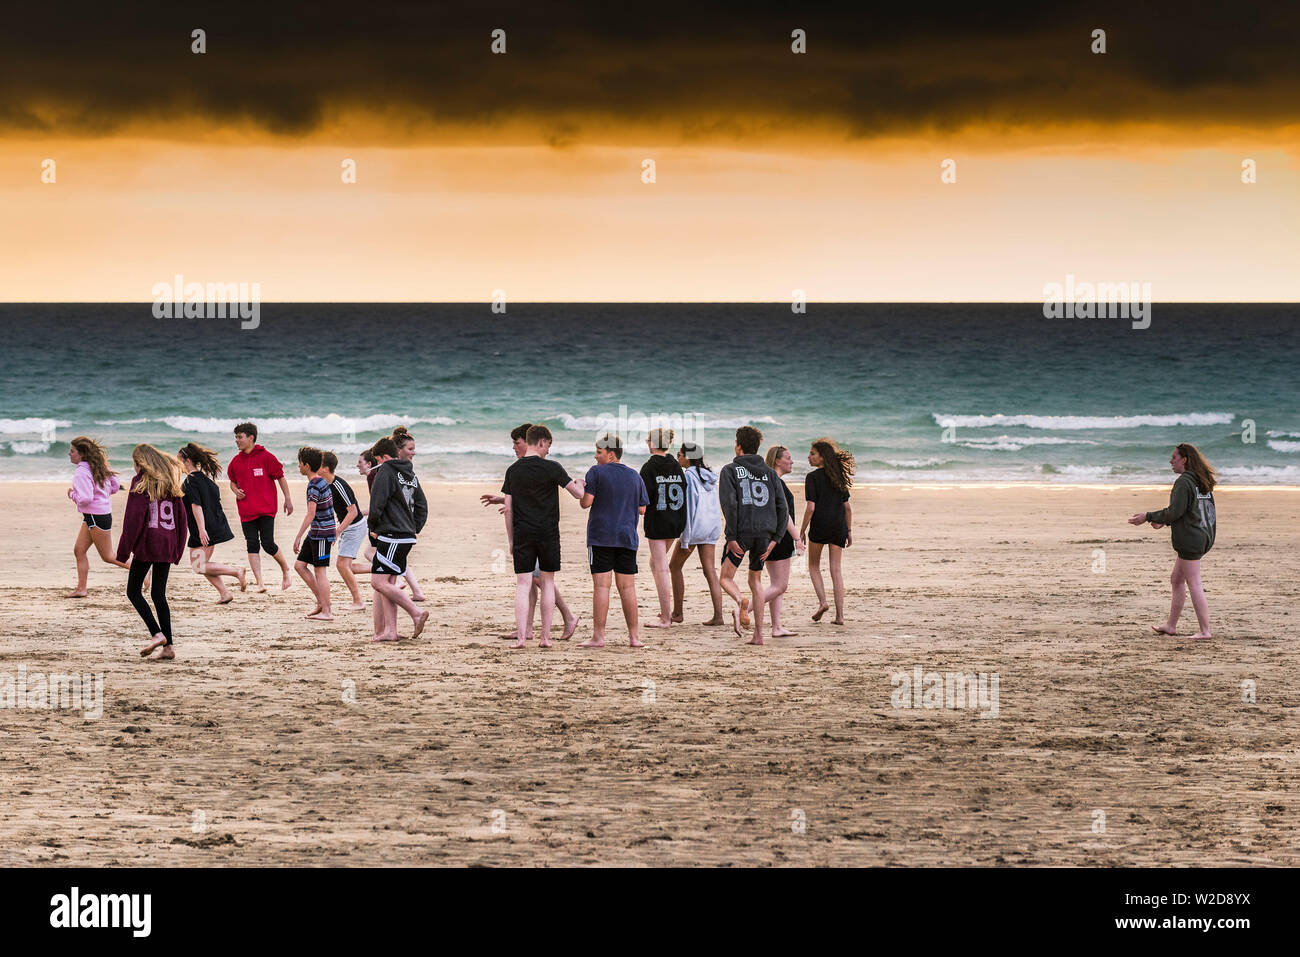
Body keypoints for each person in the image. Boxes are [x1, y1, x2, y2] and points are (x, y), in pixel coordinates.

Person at [482, 423, 580, 641]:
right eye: (548, 446)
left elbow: (508, 508)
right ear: (543, 442)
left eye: (516, 443)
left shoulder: (513, 470)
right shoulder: (553, 467)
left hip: (523, 533)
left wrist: (510, 540)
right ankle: (544, 638)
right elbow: (578, 494)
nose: (548, 451)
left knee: (524, 584)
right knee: (546, 583)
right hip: (548, 533)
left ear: (529, 440)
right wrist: (581, 483)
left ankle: (523, 637)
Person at [1129, 443, 1218, 640]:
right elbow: (1188, 511)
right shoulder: (1200, 480)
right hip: (1203, 536)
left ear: (1184, 460)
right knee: (1176, 579)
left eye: (1174, 457)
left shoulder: (1184, 482)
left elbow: (1175, 511)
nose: (1171, 461)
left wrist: (1149, 516)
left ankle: (1205, 631)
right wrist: (1165, 521)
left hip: (1191, 540)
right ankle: (1171, 625)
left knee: (1194, 582)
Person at [115, 444, 188, 660]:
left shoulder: (140, 482)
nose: (134, 466)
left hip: (148, 544)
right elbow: (181, 519)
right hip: (167, 543)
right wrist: (178, 549)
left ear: (142, 462)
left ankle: (157, 634)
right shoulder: (170, 483)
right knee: (158, 594)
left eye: (135, 462)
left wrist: (123, 551)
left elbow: (133, 519)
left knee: (133, 591)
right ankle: (169, 648)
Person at [718, 426, 789, 645]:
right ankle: (759, 635)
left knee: (726, 577)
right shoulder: (769, 473)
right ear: (757, 448)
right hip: (765, 534)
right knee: (756, 580)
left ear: (738, 446)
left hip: (742, 533)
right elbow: (782, 508)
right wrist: (776, 539)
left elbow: (730, 504)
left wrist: (731, 536)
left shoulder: (730, 470)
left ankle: (740, 600)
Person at [579, 433, 648, 648]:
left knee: (601, 587)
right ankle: (634, 637)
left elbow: (585, 503)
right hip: (627, 536)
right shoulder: (634, 476)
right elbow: (642, 509)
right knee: (627, 588)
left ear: (610, 454)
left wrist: (581, 488)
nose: (595, 457)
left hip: (601, 536)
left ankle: (598, 637)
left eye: (598, 453)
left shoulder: (596, 472)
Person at [367, 436, 430, 642]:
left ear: (384, 456)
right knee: (389, 581)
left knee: (378, 582)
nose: (376, 465)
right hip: (406, 536)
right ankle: (390, 631)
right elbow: (422, 506)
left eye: (377, 460)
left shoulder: (385, 471)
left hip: (392, 535)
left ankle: (416, 612)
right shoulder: (410, 474)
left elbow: (377, 502)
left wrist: (373, 528)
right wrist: (414, 527)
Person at [226, 422, 293, 592]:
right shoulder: (235, 461)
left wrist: (288, 498)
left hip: (266, 509)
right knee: (252, 544)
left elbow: (280, 477)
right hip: (246, 510)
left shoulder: (266, 457)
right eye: (236, 437)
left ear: (251, 438)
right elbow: (232, 482)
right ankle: (260, 582)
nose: (237, 441)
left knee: (268, 543)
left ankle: (285, 568)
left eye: (240, 437)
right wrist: (235, 491)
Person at [178, 442, 246, 603]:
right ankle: (224, 593)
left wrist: (202, 530)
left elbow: (196, 506)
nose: (177, 464)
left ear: (187, 461)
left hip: (203, 529)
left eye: (178, 460)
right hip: (212, 526)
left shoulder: (190, 481)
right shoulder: (207, 481)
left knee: (198, 566)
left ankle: (236, 571)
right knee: (203, 565)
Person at [799, 437, 854, 625]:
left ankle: (823, 602)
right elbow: (847, 508)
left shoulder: (812, 478)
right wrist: (849, 530)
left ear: (822, 457)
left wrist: (801, 531)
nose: (809, 457)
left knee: (813, 566)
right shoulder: (838, 477)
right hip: (838, 526)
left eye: (812, 454)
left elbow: (811, 508)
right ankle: (840, 616)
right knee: (836, 570)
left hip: (820, 526)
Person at [668, 442, 724, 625]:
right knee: (710, 571)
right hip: (710, 527)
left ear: (688, 457)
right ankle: (718, 616)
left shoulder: (689, 477)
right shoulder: (708, 477)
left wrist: (685, 538)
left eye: (680, 454)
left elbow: (690, 507)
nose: (678, 458)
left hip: (694, 529)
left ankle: (677, 613)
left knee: (674, 567)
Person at [66, 435, 128, 596]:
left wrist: (72, 495)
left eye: (72, 451)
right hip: (96, 515)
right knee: (79, 550)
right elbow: (115, 486)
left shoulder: (81, 472)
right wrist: (102, 494)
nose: (69, 454)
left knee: (108, 556)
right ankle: (81, 589)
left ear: (81, 454)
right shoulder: (98, 467)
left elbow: (85, 498)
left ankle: (142, 570)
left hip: (95, 516)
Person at [640, 427, 687, 628]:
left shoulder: (649, 467)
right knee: (655, 564)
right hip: (675, 521)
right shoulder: (676, 465)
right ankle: (665, 610)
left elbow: (642, 503)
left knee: (661, 568)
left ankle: (666, 618)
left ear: (652, 443)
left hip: (658, 522)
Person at [763, 444, 806, 637]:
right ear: (777, 460)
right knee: (780, 586)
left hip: (772, 536)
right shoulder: (776, 482)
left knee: (776, 585)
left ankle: (776, 627)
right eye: (788, 457)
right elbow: (784, 514)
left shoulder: (771, 481)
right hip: (779, 538)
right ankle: (743, 610)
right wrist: (797, 538)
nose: (792, 461)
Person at [292, 447, 336, 621]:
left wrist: (298, 536)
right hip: (317, 532)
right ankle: (321, 602)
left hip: (322, 533)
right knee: (300, 566)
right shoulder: (320, 482)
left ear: (306, 465)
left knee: (320, 572)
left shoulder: (314, 486)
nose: (298, 466)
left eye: (300, 463)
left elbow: (310, 514)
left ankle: (327, 611)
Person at [322, 450, 367, 611]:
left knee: (342, 565)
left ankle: (358, 601)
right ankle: (387, 569)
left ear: (325, 468)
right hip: (349, 526)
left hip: (354, 527)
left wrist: (338, 530)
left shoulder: (338, 485)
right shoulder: (326, 484)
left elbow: (353, 511)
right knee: (348, 566)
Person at [388, 427, 427, 602]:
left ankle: (414, 611)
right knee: (390, 573)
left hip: (397, 533)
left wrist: (415, 526)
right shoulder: (399, 473)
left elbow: (421, 505)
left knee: (381, 581)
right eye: (410, 449)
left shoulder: (406, 474)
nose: (414, 453)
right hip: (400, 532)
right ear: (398, 450)